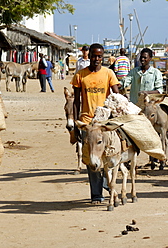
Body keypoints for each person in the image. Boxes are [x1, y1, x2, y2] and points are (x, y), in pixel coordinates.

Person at [71, 43, 120, 203]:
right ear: (89, 56)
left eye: (100, 56)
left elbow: (116, 95)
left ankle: (108, 185)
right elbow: (76, 100)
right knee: (91, 159)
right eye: (94, 55)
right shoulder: (80, 75)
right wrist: (76, 123)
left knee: (107, 156)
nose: (97, 59)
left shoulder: (109, 73)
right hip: (87, 122)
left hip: (104, 123)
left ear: (103, 57)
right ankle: (96, 194)